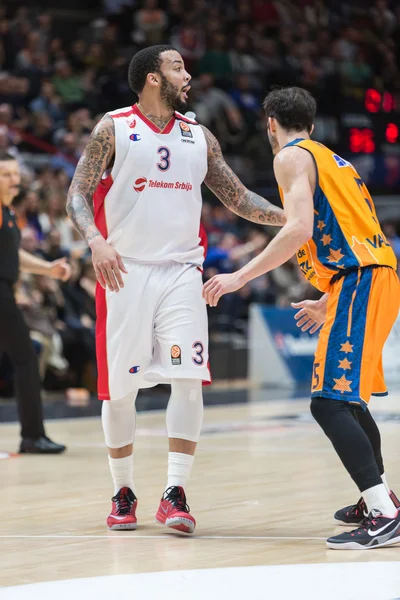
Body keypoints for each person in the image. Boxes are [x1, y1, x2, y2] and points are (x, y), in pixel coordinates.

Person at [66, 44, 285, 533]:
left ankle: (175, 491)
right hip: (123, 271)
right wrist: (96, 241)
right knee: (119, 391)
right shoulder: (114, 127)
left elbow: (238, 197)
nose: (188, 74)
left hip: (183, 271)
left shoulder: (198, 136)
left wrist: (290, 220)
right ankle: (123, 491)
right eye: (177, 66)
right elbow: (77, 193)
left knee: (189, 379)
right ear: (151, 78)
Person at [203, 86, 400, 550]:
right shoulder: (336, 161)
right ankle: (379, 497)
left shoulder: (290, 157)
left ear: (270, 122)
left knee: (328, 401)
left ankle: (385, 513)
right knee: (348, 400)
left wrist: (239, 277)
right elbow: (360, 237)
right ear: (312, 123)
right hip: (372, 279)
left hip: (359, 282)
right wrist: (328, 298)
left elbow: (298, 229)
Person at [0, 151, 70, 453]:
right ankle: (32, 436)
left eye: (16, 174)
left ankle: (32, 435)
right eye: (6, 174)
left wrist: (48, 268)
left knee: (26, 357)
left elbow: (13, 256)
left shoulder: (9, 214)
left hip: (5, 292)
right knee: (26, 358)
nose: (15, 180)